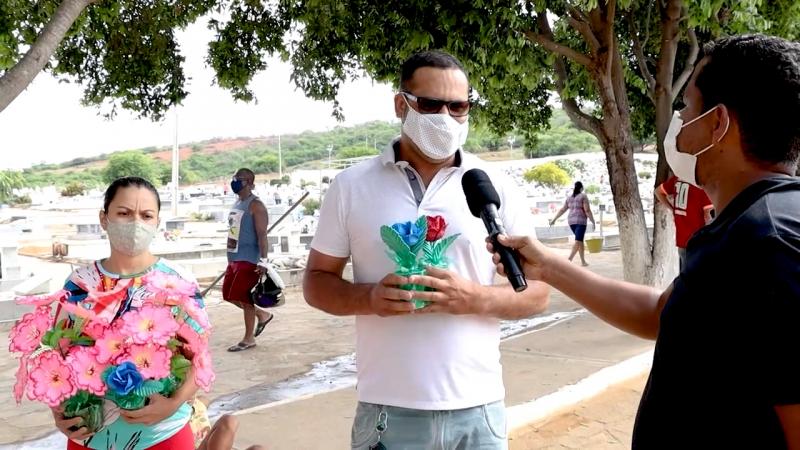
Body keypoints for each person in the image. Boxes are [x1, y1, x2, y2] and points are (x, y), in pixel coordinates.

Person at [488, 35, 800, 448]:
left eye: (687, 108)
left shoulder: (769, 243)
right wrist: (546, 265)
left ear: (718, 123)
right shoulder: (737, 231)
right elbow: (659, 313)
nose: (680, 129)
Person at [304, 50, 549, 449]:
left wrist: (474, 298)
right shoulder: (350, 186)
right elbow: (316, 283)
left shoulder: (496, 186)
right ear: (401, 105)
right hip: (387, 413)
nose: (446, 118)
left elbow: (538, 294)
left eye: (459, 106)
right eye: (432, 104)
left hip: (480, 413)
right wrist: (369, 298)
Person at [53, 176, 210, 449]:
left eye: (146, 215)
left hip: (163, 434)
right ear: (104, 218)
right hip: (90, 436)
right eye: (124, 213)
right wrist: (58, 413)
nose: (136, 223)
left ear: (157, 223)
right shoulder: (79, 284)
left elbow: (201, 360)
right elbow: (59, 358)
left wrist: (172, 404)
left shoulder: (178, 283)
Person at [223, 168, 273, 352]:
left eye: (240, 179)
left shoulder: (256, 205)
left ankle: (248, 338)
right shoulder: (237, 202)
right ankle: (262, 314)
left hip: (249, 259)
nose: (235, 181)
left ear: (250, 183)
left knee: (244, 298)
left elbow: (262, 235)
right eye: (234, 177)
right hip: (234, 257)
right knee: (228, 295)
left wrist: (264, 261)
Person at [655, 176, 713, 270]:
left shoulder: (677, 179)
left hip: (682, 239)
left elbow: (658, 191)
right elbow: (708, 216)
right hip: (697, 241)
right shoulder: (701, 186)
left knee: (684, 276)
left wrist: (672, 208)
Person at [549, 181, 596, 266]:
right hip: (580, 221)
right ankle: (569, 260)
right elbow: (587, 210)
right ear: (581, 188)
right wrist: (593, 221)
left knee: (580, 240)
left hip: (571, 222)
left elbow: (562, 210)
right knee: (578, 241)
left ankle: (583, 261)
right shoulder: (583, 196)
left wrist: (554, 219)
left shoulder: (569, 197)